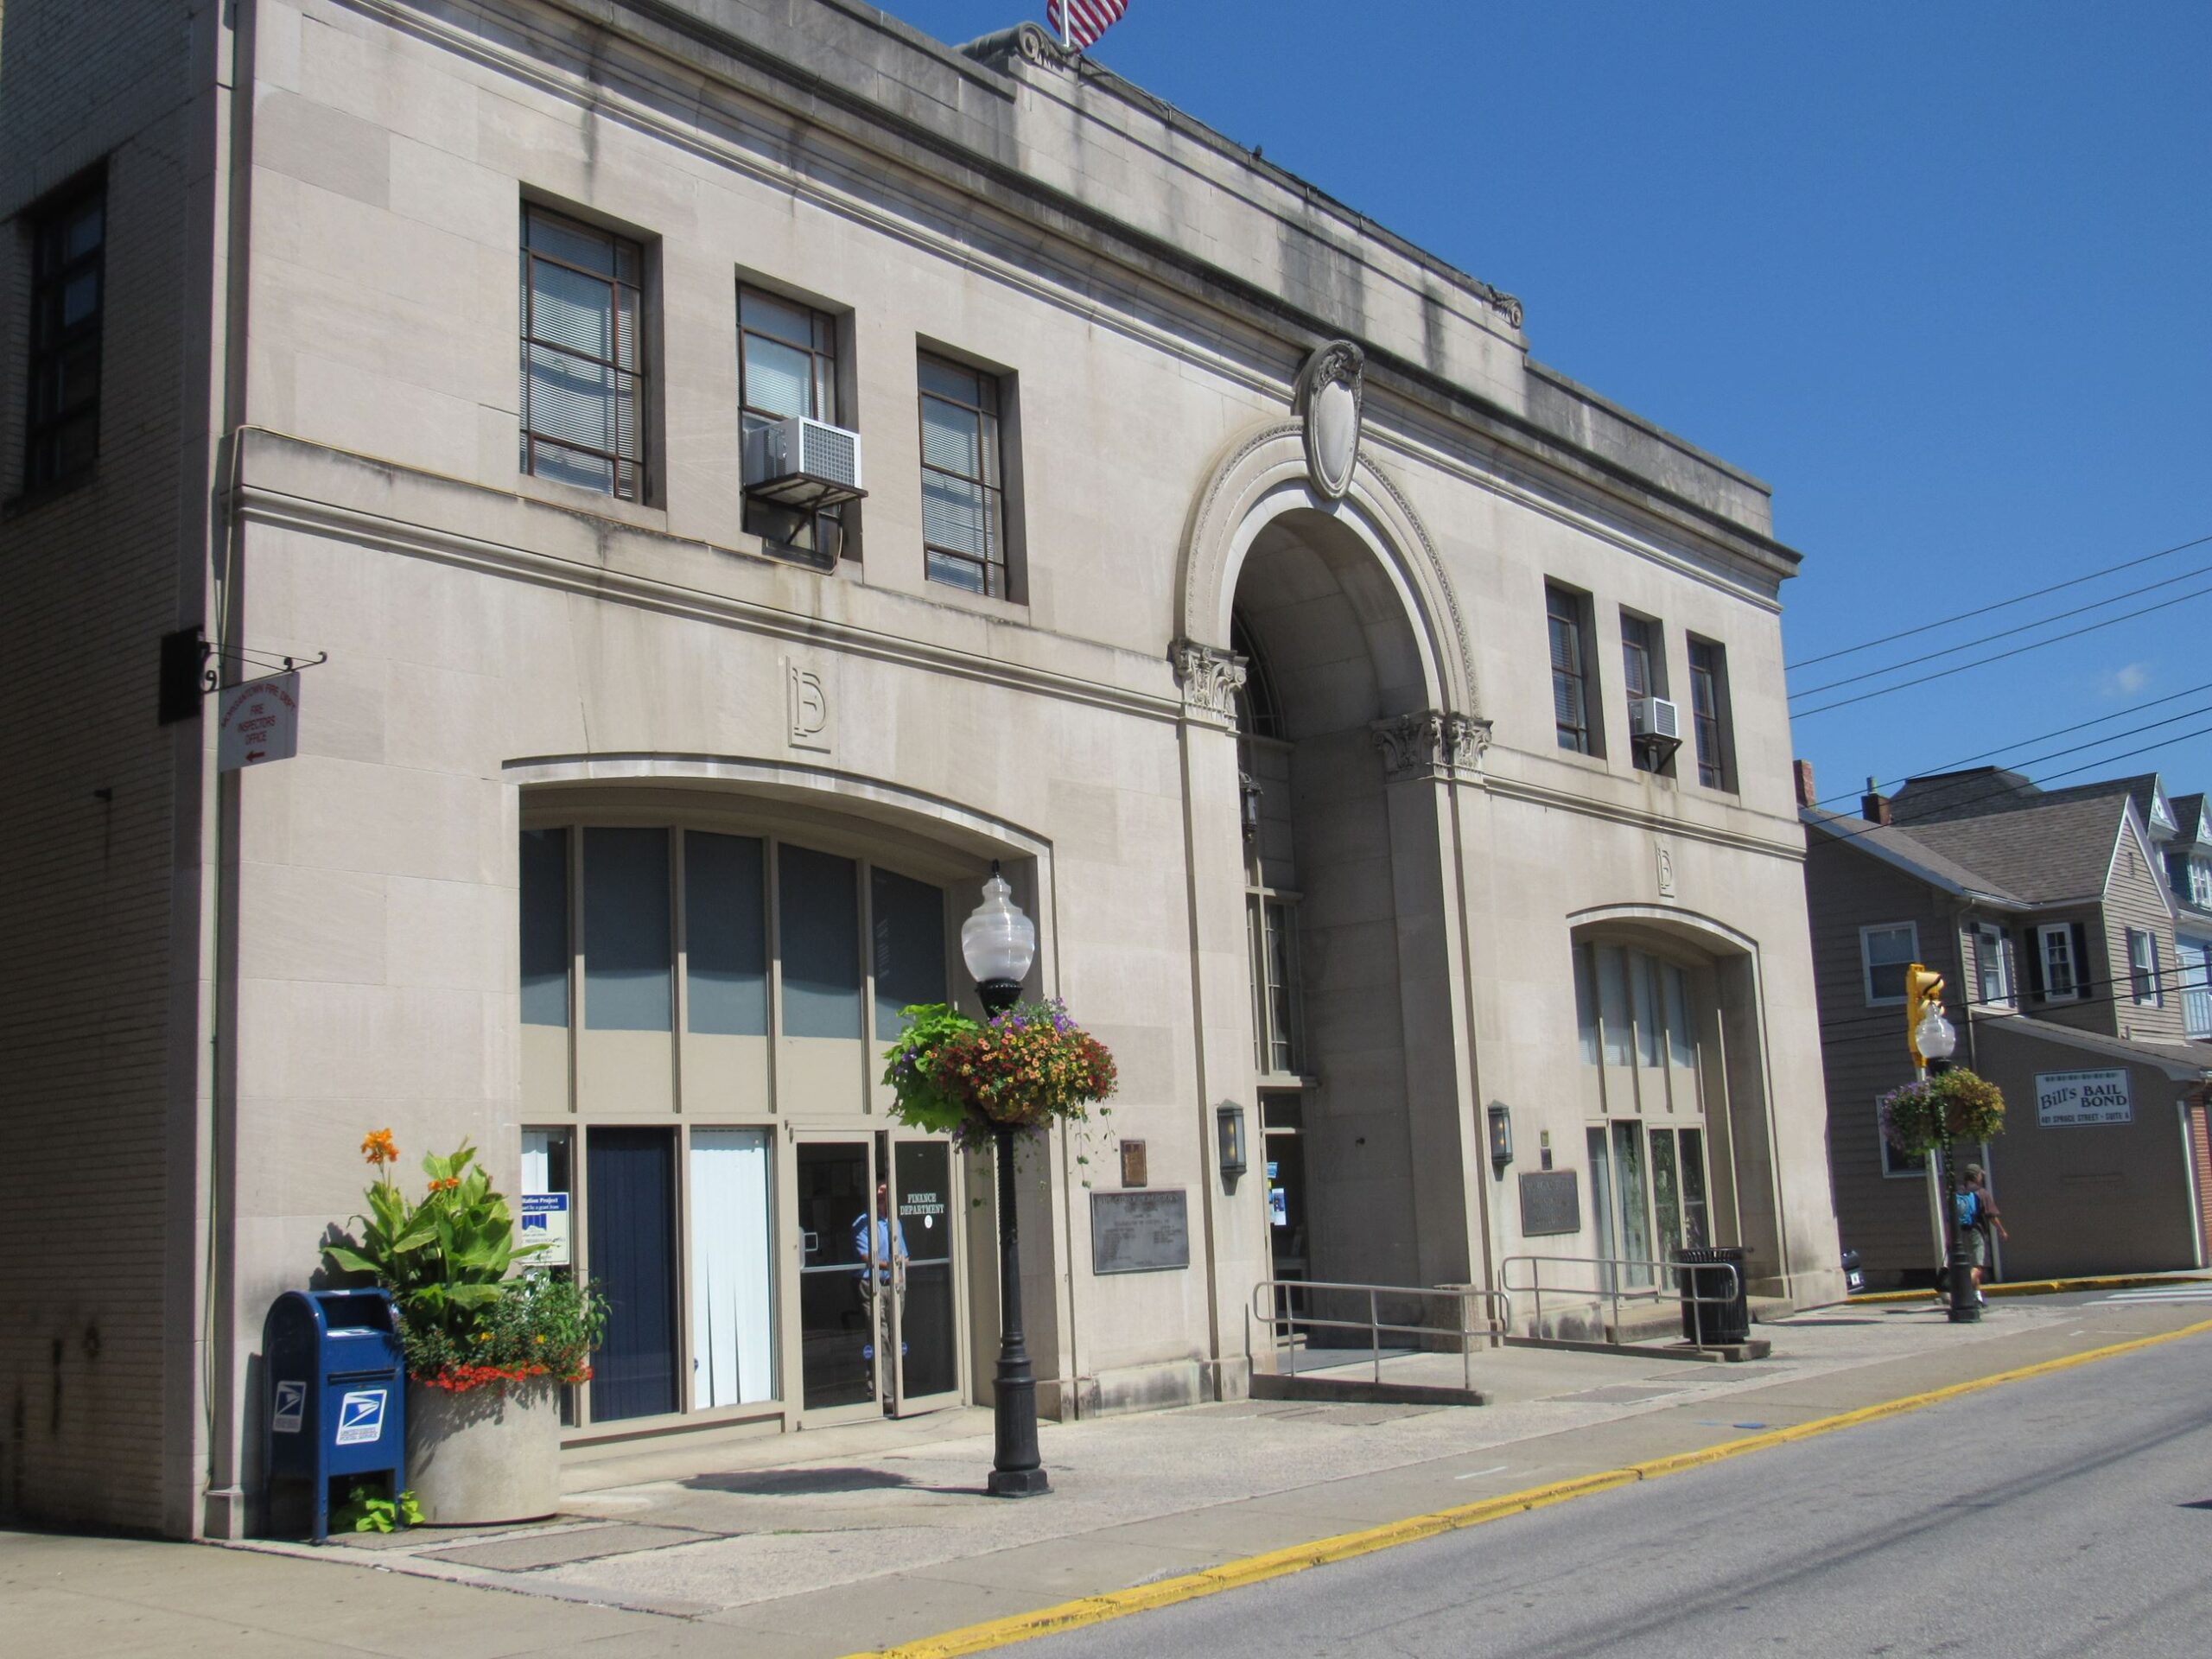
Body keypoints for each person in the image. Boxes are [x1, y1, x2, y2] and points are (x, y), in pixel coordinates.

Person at [852, 1179, 908, 1387]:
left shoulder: (894, 1223)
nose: (881, 1193)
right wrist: (892, 1265)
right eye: (878, 1189)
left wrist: (899, 1266)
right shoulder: (863, 1223)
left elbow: (905, 1256)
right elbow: (867, 1257)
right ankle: (883, 1391)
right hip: (871, 1284)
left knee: (894, 1333)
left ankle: (894, 1385)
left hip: (893, 1284)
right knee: (880, 1334)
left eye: (885, 1190)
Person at [1955, 1163, 2006, 1306]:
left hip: (1960, 1234)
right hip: (1975, 1231)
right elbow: (1992, 1216)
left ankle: (1977, 1297)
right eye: (1980, 1175)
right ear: (1976, 1176)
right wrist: (2001, 1230)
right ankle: (1962, 1288)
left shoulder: (1958, 1192)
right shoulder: (1981, 1193)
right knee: (1977, 1267)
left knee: (1970, 1265)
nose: (1981, 1177)